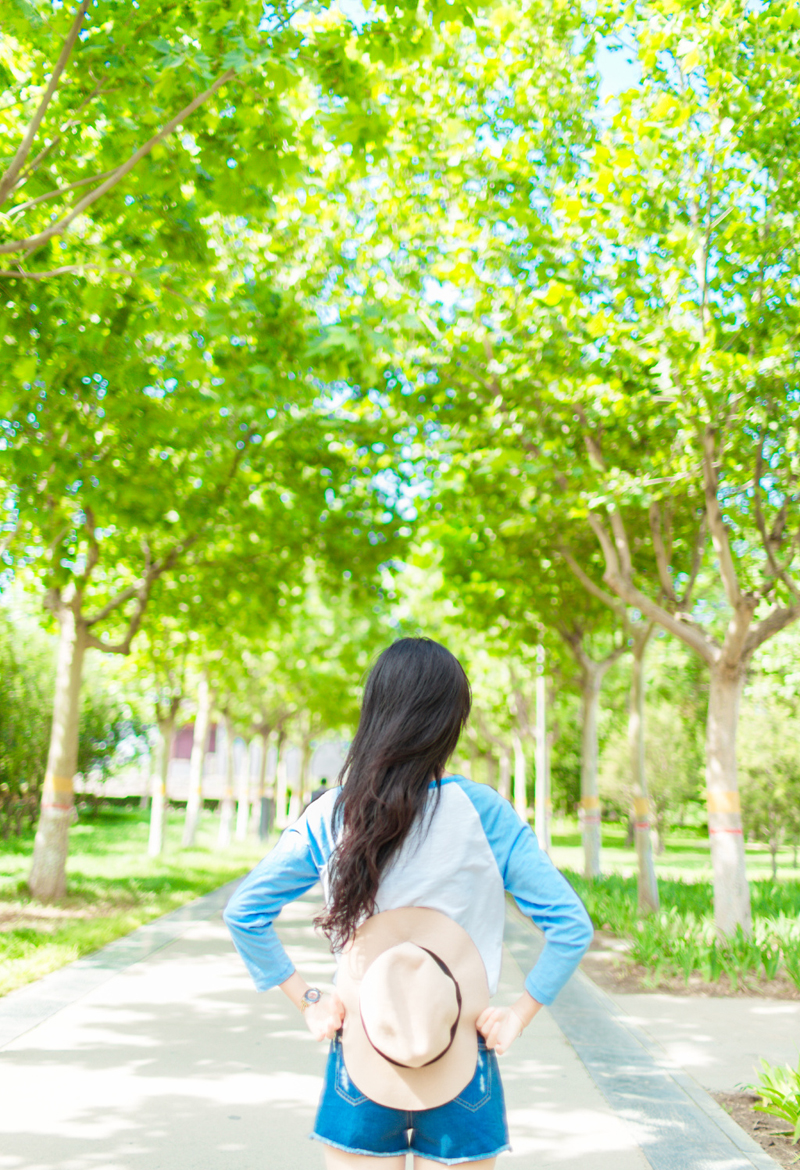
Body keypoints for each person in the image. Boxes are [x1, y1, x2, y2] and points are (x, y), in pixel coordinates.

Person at [224, 637, 594, 1169]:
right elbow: (570, 925)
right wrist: (517, 1016)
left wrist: (308, 1000)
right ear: (451, 721)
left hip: (364, 1049)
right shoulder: (485, 813)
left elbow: (245, 912)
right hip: (460, 1050)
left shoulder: (333, 813)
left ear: (375, 710)